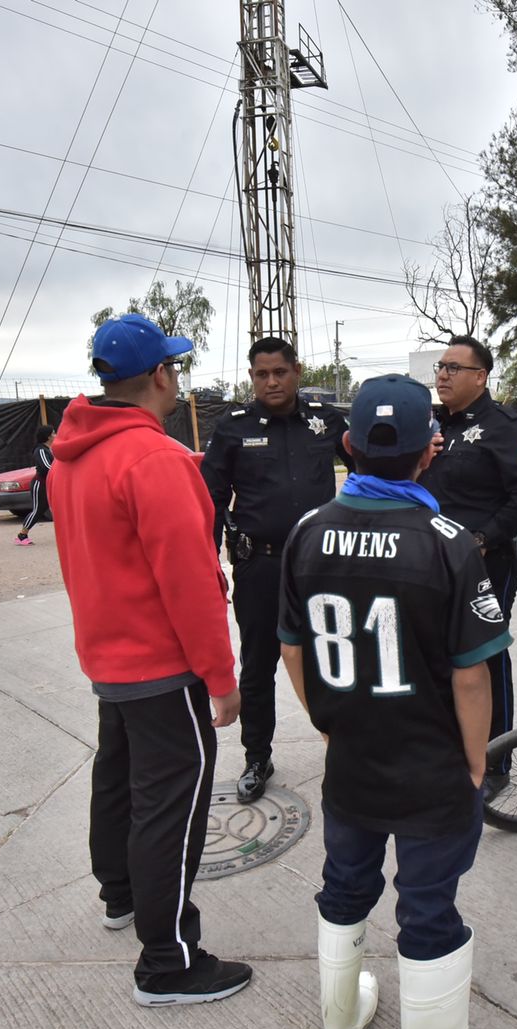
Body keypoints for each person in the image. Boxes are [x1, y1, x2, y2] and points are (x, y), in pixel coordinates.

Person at [278, 374, 517, 1029]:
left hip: (352, 758)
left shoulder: (306, 532)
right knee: (429, 905)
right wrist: (476, 762)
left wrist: (326, 723)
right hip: (432, 766)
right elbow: (472, 675)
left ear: (348, 446)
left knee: (345, 885)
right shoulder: (447, 542)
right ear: (429, 452)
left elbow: (291, 648)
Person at [47, 312, 252, 1007]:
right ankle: (168, 961)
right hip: (160, 664)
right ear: (161, 375)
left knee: (120, 780)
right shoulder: (153, 458)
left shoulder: (72, 454)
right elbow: (190, 581)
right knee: (172, 805)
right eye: (174, 367)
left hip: (110, 656)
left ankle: (121, 896)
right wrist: (222, 680)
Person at [200, 336, 351, 804]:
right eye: (261, 374)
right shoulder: (233, 427)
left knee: (334, 658)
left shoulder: (326, 423)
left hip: (321, 565)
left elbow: (372, 470)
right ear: (252, 377)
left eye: (279, 372)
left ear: (297, 371)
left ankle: (345, 750)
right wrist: (210, 564)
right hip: (260, 565)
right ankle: (256, 756)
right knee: (258, 666)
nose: (271, 381)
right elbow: (210, 499)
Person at [418, 335, 517, 798]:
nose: (443, 375)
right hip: (431, 564)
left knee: (484, 656)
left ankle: (496, 761)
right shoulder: (432, 424)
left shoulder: (505, 427)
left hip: (486, 565)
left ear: (481, 376)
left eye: (454, 368)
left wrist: (481, 537)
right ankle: (451, 745)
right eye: (440, 366)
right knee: (438, 655)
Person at [15, 424, 55, 546]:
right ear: (48, 436)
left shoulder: (48, 449)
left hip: (49, 484)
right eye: (54, 433)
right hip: (40, 485)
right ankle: (22, 535)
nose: (56, 435)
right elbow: (46, 467)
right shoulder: (41, 450)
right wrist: (60, 471)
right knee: (38, 510)